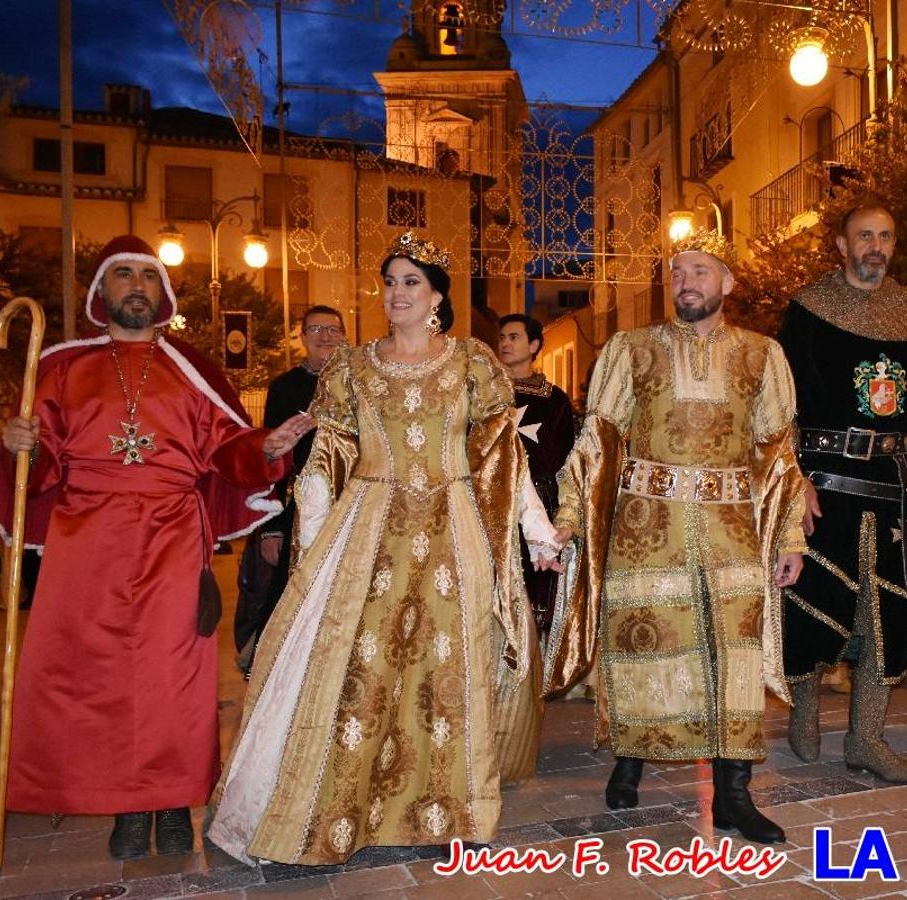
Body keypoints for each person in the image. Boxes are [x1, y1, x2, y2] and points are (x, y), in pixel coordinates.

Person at [207, 232, 562, 865]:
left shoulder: (472, 365)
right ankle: (340, 812)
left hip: (453, 533)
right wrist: (312, 551)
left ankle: (442, 810)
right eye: (391, 281)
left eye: (411, 283)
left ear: (436, 297)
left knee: (445, 669)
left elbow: (501, 457)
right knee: (360, 673)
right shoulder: (351, 367)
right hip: (370, 530)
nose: (397, 293)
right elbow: (326, 461)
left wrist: (536, 531)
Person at [0, 235, 313, 860]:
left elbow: (223, 448)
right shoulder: (61, 368)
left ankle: (173, 799)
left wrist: (265, 447)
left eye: (147, 277)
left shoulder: (191, 372)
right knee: (92, 677)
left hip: (171, 538)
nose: (136, 285)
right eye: (122, 275)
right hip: (87, 540)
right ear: (100, 293)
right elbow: (42, 463)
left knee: (174, 676)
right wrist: (20, 441)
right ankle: (127, 808)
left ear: (164, 294)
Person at [547, 226, 808, 845]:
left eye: (699, 270)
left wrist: (791, 536)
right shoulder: (629, 348)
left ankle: (735, 796)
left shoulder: (762, 354)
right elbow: (598, 439)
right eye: (677, 272)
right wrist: (568, 518)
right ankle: (630, 758)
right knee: (646, 643)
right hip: (646, 524)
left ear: (727, 283)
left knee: (731, 655)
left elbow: (777, 454)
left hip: (732, 529)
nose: (685, 282)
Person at [776, 204, 907, 784]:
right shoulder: (808, 309)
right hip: (824, 479)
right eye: (864, 236)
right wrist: (792, 477)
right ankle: (804, 712)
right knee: (814, 597)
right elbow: (780, 403)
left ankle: (867, 739)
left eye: (885, 235)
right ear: (841, 244)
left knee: (890, 607)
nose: (875, 246)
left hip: (893, 483)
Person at [234, 305, 348, 676]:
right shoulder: (285, 388)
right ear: (302, 337)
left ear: (345, 336)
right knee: (291, 589)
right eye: (316, 329)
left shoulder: (358, 385)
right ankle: (277, 668)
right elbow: (274, 462)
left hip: (350, 505)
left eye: (333, 330)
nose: (325, 336)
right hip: (298, 510)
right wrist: (272, 527)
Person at [497, 313, 576, 637]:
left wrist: (563, 510)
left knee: (540, 589)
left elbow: (566, 455)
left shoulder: (555, 400)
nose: (504, 343)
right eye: (501, 337)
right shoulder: (488, 395)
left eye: (513, 337)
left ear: (534, 345)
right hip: (497, 503)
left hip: (543, 502)